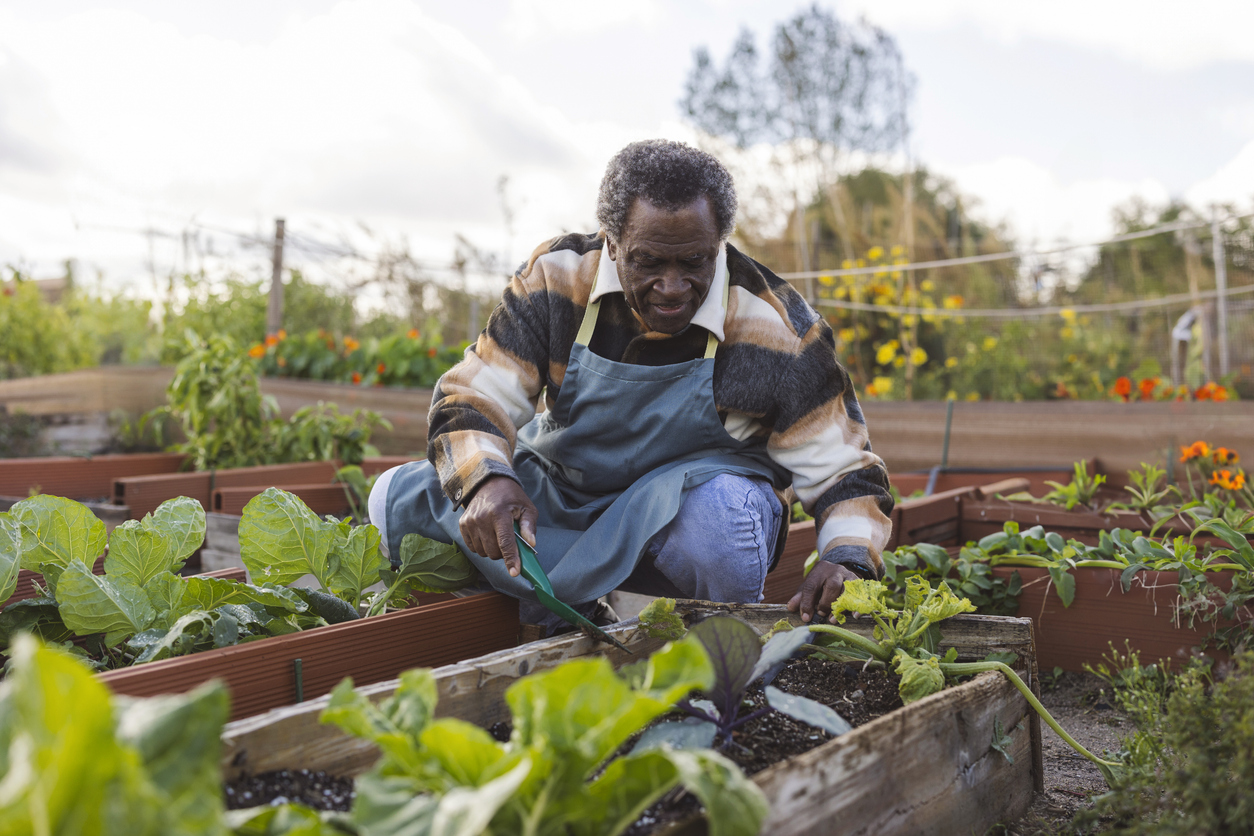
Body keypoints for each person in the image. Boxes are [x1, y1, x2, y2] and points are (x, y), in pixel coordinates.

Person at [369, 139, 893, 634]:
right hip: (569, 495)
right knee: (395, 501)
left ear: (719, 245)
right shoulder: (557, 280)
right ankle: (558, 614)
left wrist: (845, 558)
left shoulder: (775, 327)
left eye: (694, 262)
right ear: (612, 242)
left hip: (686, 511)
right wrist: (486, 481)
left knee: (722, 524)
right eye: (648, 261)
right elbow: (473, 395)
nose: (671, 287)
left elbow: (845, 470)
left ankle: (714, 657)